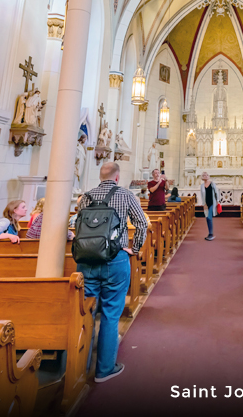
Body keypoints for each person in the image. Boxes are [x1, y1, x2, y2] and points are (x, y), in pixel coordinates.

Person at [76, 162, 149, 383]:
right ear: (117, 178)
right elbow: (141, 224)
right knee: (110, 315)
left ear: (101, 176)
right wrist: (134, 249)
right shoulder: (125, 195)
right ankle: (104, 369)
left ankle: (80, 370)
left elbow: (77, 224)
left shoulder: (86, 197)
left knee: (85, 313)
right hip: (115, 259)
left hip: (87, 260)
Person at [200, 172, 219, 241]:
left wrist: (218, 200)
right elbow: (202, 196)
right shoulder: (202, 186)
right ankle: (209, 233)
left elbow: (216, 192)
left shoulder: (212, 184)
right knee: (207, 218)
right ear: (202, 177)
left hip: (212, 203)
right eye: (204, 175)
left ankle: (211, 234)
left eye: (206, 175)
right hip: (206, 203)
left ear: (209, 176)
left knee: (209, 218)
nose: (205, 176)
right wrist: (203, 204)